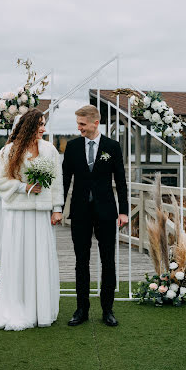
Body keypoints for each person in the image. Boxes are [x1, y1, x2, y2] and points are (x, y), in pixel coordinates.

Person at [0, 108, 64, 331]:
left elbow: (57, 182)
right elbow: (1, 181)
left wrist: (57, 208)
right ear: (28, 127)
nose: (43, 128)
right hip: (17, 214)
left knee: (40, 259)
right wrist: (24, 186)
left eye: (44, 124)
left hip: (41, 215)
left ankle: (40, 310)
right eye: (39, 125)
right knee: (19, 259)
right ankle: (18, 308)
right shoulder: (9, 151)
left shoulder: (50, 150)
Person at [62, 105, 128, 327]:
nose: (79, 127)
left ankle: (107, 310)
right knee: (82, 262)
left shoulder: (113, 147)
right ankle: (81, 310)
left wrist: (124, 211)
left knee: (108, 261)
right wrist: (58, 208)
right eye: (78, 124)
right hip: (79, 212)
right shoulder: (71, 148)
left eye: (82, 124)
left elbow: (121, 182)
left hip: (107, 212)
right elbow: (64, 181)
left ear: (95, 123)